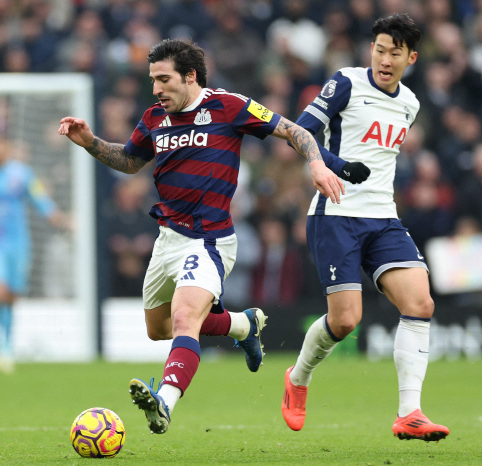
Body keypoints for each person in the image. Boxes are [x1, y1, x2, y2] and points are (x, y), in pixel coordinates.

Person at [59, 38, 363, 434]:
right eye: (152, 80)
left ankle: (164, 402)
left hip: (208, 240)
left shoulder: (228, 106)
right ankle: (242, 326)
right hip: (167, 238)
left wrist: (318, 165)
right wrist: (90, 142)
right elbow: (131, 161)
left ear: (190, 76)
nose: (156, 89)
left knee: (185, 317)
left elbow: (293, 131)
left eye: (164, 79)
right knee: (159, 328)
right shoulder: (154, 117)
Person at [281, 14, 450, 442]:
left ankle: (410, 413)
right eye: (380, 50)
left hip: (383, 217)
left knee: (421, 302)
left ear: (411, 58)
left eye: (395, 53)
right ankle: (298, 379)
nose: (385, 60)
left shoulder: (409, 103)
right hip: (335, 214)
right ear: (371, 49)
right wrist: (335, 166)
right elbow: (299, 131)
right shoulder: (346, 82)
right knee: (345, 322)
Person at [0, 134, 66, 373]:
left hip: (18, 243)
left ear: (7, 148)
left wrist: (54, 214)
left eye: (1, 145)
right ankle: (1, 346)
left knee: (11, 296)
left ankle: (0, 341)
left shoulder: (22, 173)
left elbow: (39, 195)